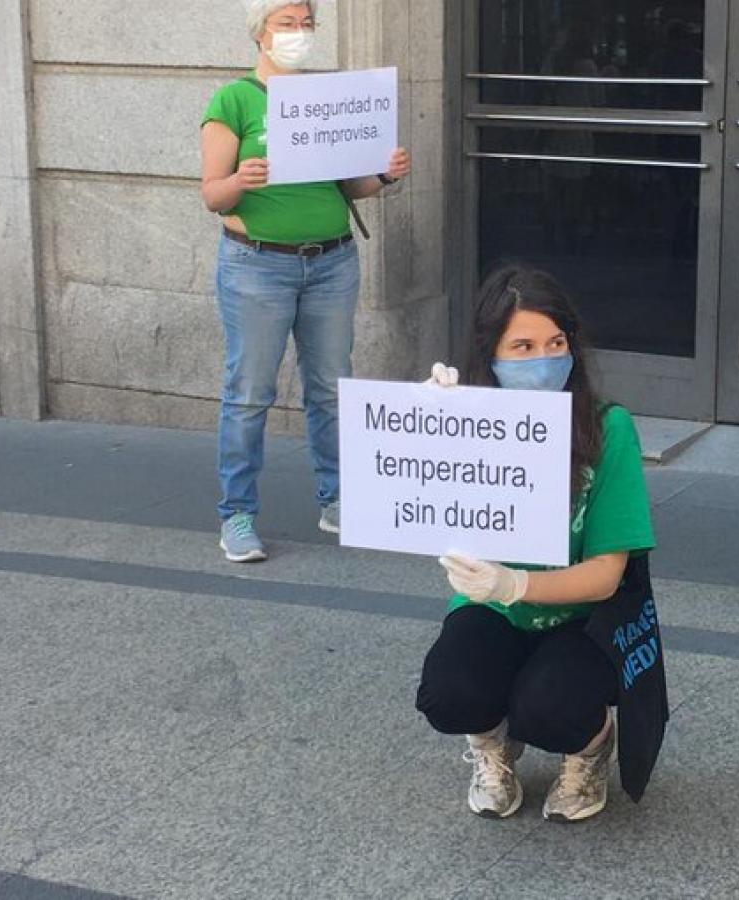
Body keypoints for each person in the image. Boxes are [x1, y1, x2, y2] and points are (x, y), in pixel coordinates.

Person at [414, 266, 656, 822]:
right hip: (490, 612)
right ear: (490, 354)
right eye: (521, 346)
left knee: (549, 707)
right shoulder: (470, 418)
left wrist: (518, 582)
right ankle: (492, 744)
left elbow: (606, 574)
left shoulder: (606, 428)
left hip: (581, 621)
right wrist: (429, 421)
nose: (543, 359)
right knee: (448, 692)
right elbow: (416, 505)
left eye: (556, 343)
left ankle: (591, 746)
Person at [199, 0, 411, 562]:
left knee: (332, 388)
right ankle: (237, 516)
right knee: (248, 394)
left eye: (305, 23)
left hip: (332, 262)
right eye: (285, 23)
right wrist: (241, 178)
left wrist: (384, 174)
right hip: (256, 265)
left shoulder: (325, 100)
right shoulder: (234, 100)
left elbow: (350, 186)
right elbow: (211, 194)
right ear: (259, 31)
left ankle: (337, 498)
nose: (297, 33)